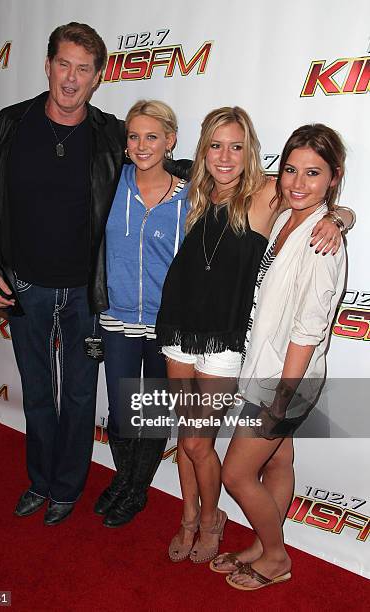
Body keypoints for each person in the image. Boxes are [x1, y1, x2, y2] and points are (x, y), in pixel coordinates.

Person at [155, 107, 353, 563]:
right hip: (183, 327)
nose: (225, 156)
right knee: (202, 441)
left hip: (230, 344)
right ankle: (199, 520)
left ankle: (218, 526)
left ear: (251, 153)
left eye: (237, 146)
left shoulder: (267, 194)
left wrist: (339, 218)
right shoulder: (195, 194)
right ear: (202, 150)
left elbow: (324, 196)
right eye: (216, 145)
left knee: (198, 444)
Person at [0, 22, 126, 525]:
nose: (71, 79)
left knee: (79, 395)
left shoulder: (112, 134)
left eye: (83, 69)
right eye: (63, 65)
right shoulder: (10, 124)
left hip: (85, 291)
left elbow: (170, 176)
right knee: (36, 390)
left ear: (98, 76)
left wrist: (335, 213)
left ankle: (67, 487)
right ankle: (39, 480)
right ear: (48, 65)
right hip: (24, 287)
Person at [215, 124, 347, 590]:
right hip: (267, 369)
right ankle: (261, 542)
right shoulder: (289, 216)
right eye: (291, 169)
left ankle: (275, 557)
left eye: (313, 173)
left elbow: (307, 329)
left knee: (235, 472)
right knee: (277, 462)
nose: (297, 182)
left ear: (333, 177)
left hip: (284, 380)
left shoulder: (321, 240)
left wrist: (279, 402)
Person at [94, 100, 190, 527]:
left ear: (170, 140)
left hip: (164, 326)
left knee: (150, 412)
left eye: (152, 136)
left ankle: (134, 490)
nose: (141, 144)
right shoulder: (110, 185)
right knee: (120, 412)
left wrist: (339, 213)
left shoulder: (192, 196)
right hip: (116, 318)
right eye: (133, 136)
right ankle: (125, 478)